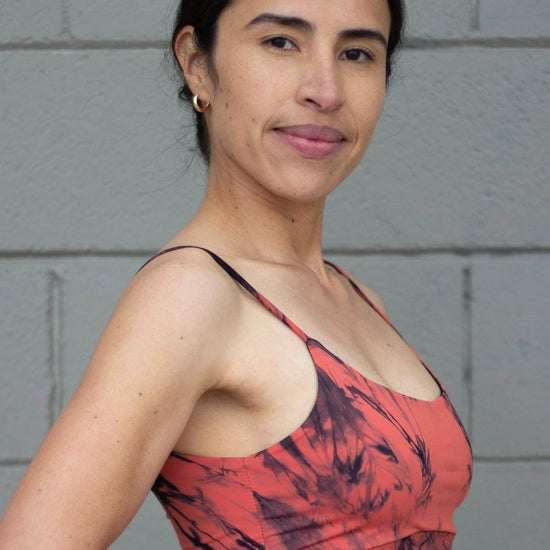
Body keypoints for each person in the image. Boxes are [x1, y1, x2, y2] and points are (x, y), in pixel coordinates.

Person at [0, 0, 472, 548]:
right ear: (198, 64)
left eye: (357, 53)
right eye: (280, 42)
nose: (327, 90)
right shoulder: (190, 294)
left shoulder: (358, 299)